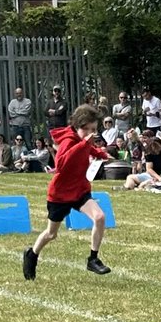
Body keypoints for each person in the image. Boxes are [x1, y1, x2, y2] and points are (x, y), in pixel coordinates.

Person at [23, 105, 111, 280]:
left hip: (79, 190)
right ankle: (31, 255)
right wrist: (86, 144)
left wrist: (100, 153)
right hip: (60, 195)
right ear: (79, 127)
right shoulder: (68, 141)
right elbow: (61, 164)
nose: (92, 134)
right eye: (88, 130)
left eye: (94, 129)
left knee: (99, 217)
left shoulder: (83, 139)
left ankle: (93, 259)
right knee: (51, 234)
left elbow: (86, 148)